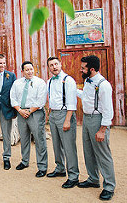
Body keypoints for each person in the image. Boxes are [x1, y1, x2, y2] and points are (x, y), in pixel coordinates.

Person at [76, 55, 116, 201]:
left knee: (103, 154)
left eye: (83, 68)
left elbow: (108, 110)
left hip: (98, 120)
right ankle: (93, 179)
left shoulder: (103, 85)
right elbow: (86, 98)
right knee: (88, 151)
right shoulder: (87, 80)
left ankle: (109, 186)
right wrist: (72, 90)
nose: (81, 70)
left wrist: (102, 130)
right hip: (87, 119)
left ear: (91, 69)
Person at [45, 56, 81, 189]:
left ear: (60, 64)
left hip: (65, 114)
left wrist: (67, 120)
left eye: (56, 64)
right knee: (56, 144)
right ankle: (60, 168)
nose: (54, 67)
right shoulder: (49, 81)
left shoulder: (68, 80)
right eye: (51, 65)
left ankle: (73, 176)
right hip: (53, 114)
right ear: (48, 68)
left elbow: (72, 102)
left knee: (69, 146)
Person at [10, 61, 49, 178]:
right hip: (21, 113)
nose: (30, 72)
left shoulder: (40, 83)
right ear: (22, 72)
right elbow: (13, 97)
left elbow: (41, 100)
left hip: (35, 113)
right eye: (27, 70)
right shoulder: (17, 83)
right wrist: (20, 110)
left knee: (39, 139)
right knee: (24, 138)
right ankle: (24, 161)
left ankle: (42, 166)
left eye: (31, 69)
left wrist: (29, 111)